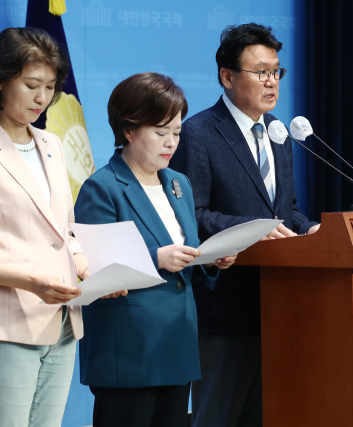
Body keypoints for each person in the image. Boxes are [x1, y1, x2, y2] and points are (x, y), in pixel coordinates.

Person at [169, 23, 319, 427]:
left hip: (278, 306)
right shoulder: (198, 134)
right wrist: (252, 227)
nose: (272, 82)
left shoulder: (279, 134)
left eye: (276, 72)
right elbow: (193, 215)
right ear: (227, 76)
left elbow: (285, 210)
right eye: (261, 72)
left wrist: (311, 231)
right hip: (225, 309)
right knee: (217, 416)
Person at [0, 27, 95, 427]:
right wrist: (33, 282)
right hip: (7, 327)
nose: (41, 97)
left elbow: (66, 231)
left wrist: (89, 269)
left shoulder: (51, 143)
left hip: (63, 322)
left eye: (49, 86)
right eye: (31, 85)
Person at [74, 72, 237, 427]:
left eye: (176, 133)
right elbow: (99, 270)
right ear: (129, 129)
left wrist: (212, 262)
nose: (171, 143)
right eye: (160, 132)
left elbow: (187, 251)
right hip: (129, 351)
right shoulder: (102, 187)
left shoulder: (179, 183)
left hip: (176, 342)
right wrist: (155, 258)